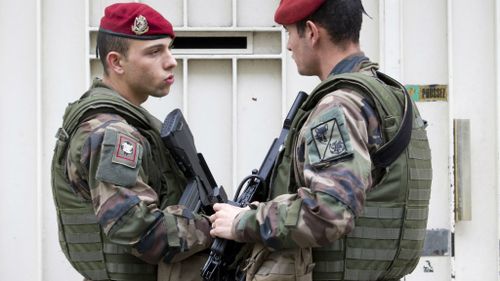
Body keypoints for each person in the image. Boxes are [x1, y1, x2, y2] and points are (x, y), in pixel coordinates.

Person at [209, 0, 432, 280]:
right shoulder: (392, 96)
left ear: (312, 32)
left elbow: (329, 212)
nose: (289, 46)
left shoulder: (339, 107)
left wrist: (243, 222)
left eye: (289, 33)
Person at [51, 3, 212, 281]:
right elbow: (137, 228)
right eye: (154, 52)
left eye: (169, 48)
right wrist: (214, 227)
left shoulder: (120, 120)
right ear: (116, 62)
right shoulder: (112, 132)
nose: (170, 60)